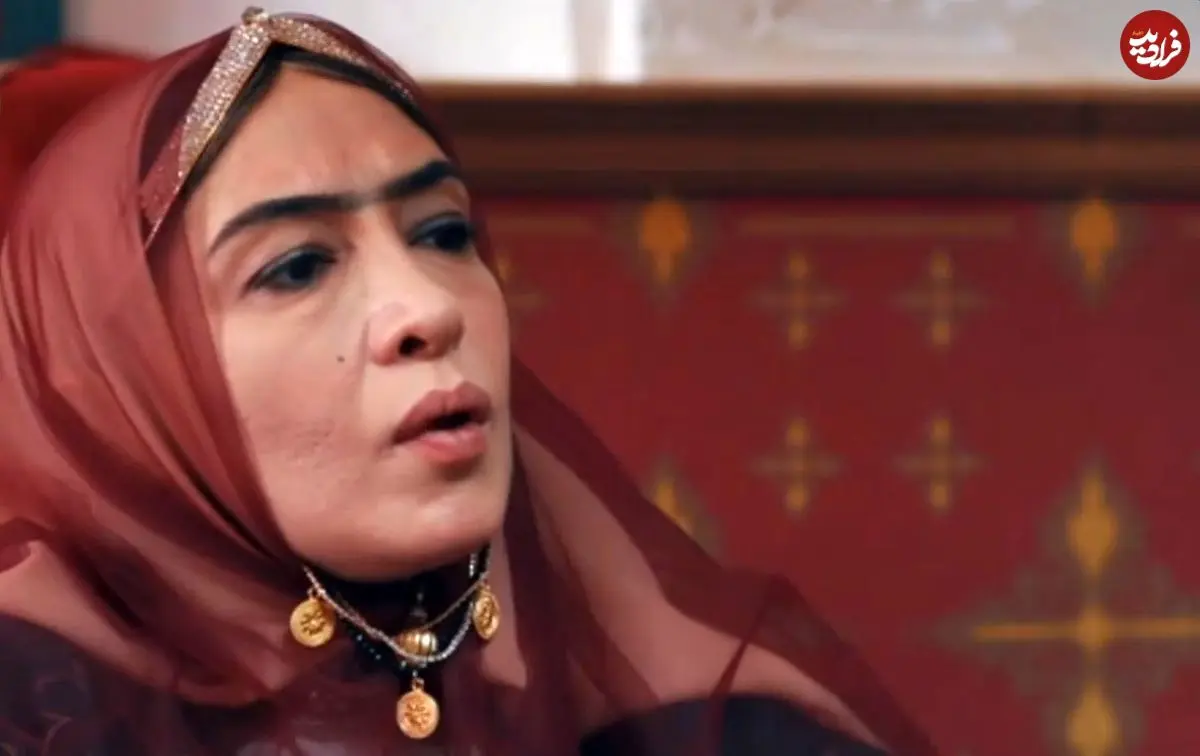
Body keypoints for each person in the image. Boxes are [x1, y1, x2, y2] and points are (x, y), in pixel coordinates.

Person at [0, 9, 939, 755]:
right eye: (297, 266)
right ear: (123, 382)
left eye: (443, 235)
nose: (429, 309)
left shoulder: (701, 723)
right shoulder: (34, 706)